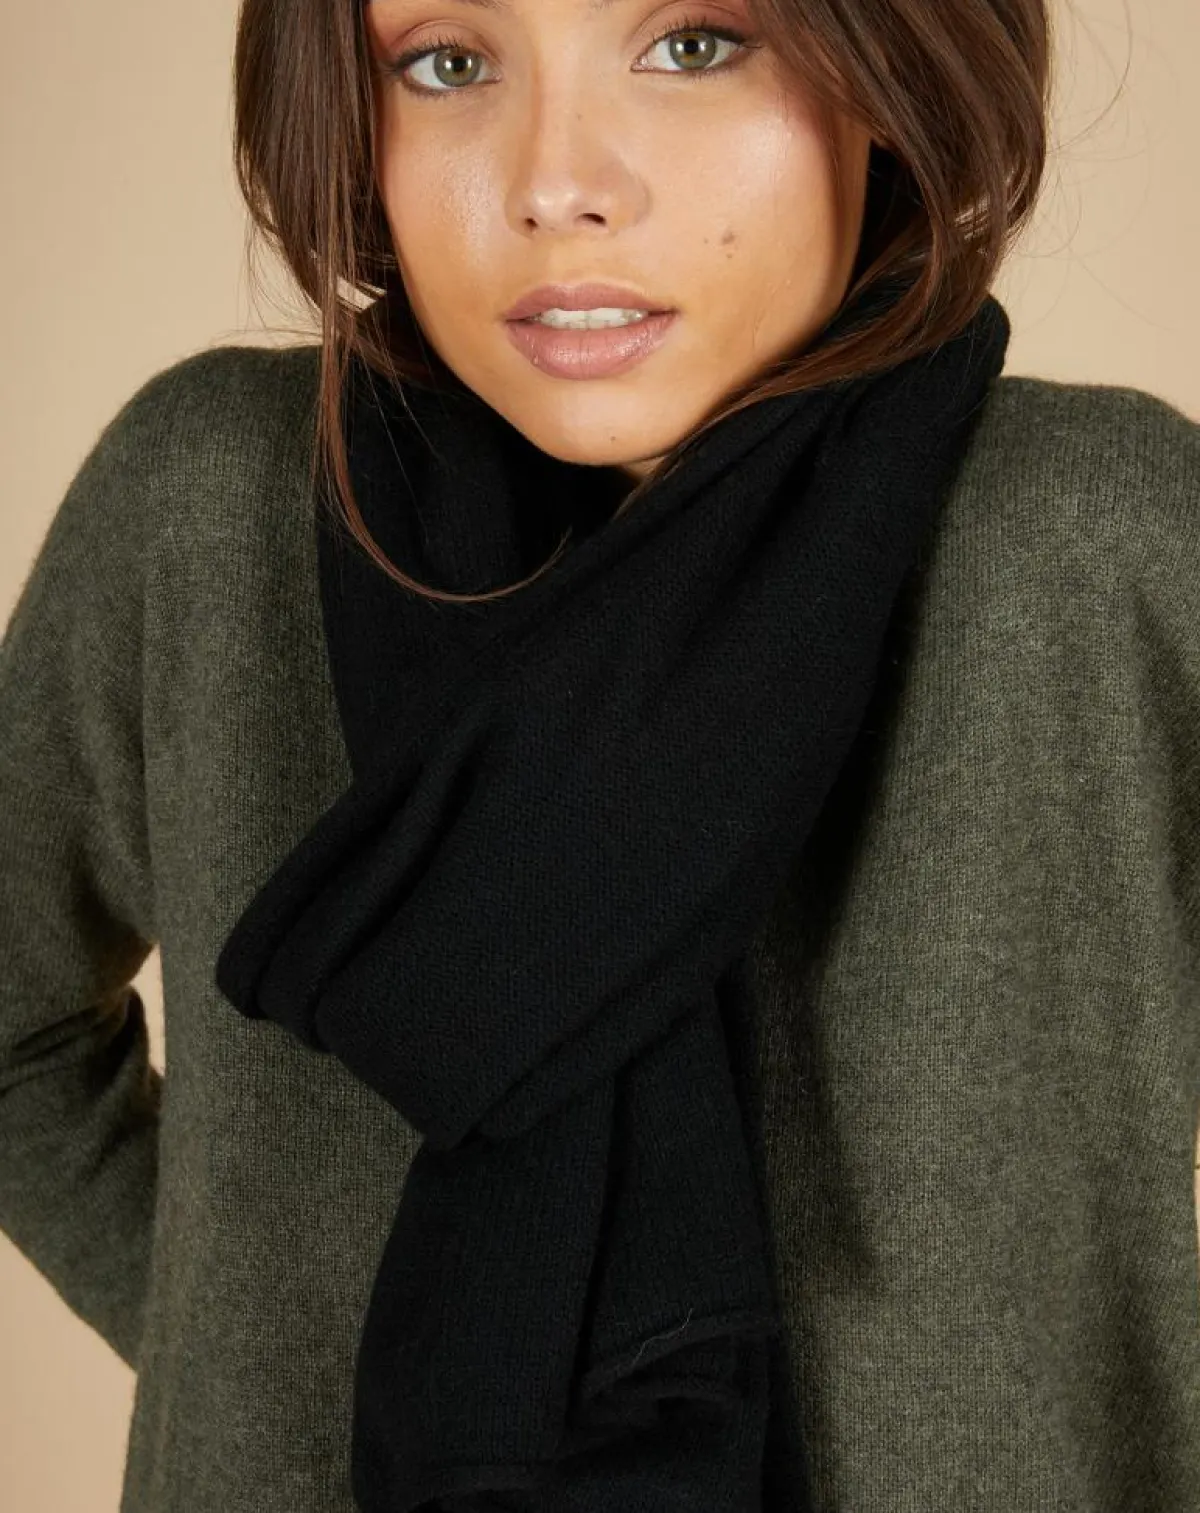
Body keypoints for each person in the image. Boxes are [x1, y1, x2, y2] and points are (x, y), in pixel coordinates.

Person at [1, 0, 1198, 1507]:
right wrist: (248, 1372)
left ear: (887, 71)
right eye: (448, 63)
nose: (555, 184)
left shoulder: (1101, 544)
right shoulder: (215, 506)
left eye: (695, 43)